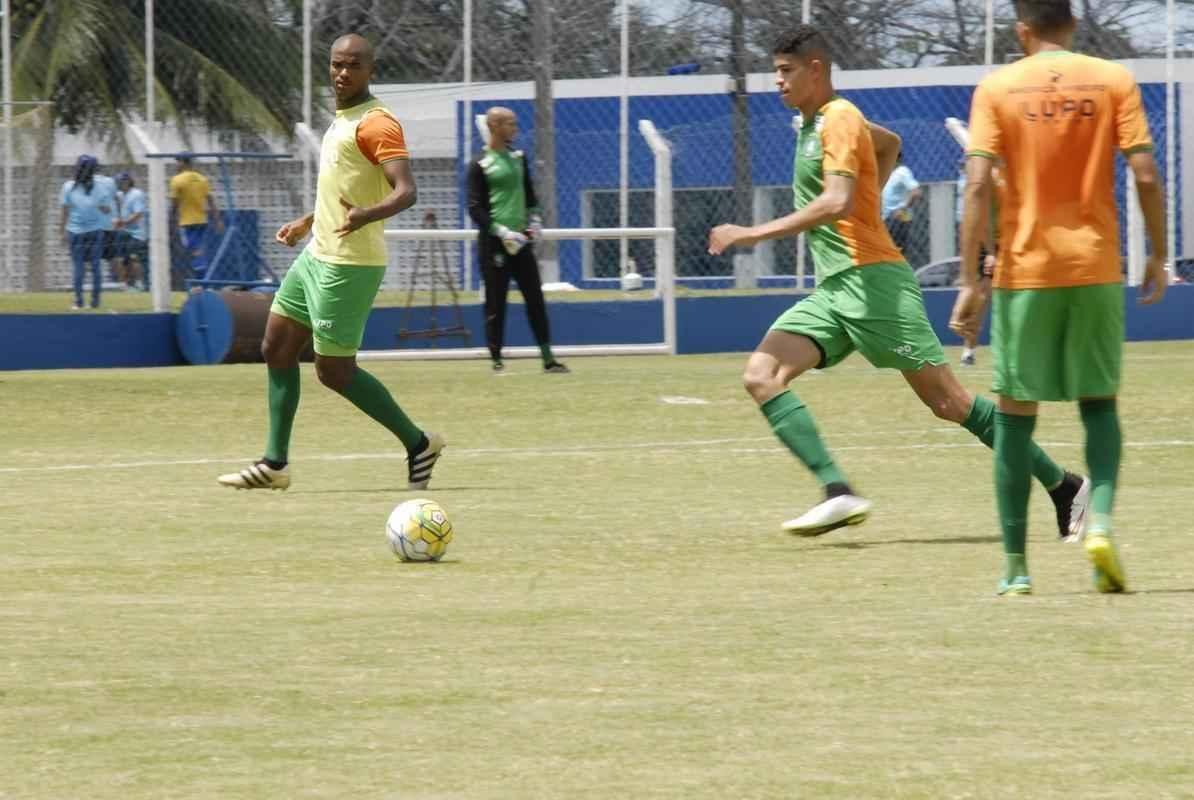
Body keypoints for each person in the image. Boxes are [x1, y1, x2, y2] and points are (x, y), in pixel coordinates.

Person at [707, 25, 1089, 545]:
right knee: (761, 373)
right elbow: (889, 145)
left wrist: (752, 231)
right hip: (835, 291)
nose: (777, 81)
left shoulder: (838, 119)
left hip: (873, 284)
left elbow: (837, 201)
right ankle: (836, 490)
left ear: (815, 69)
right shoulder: (815, 123)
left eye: (785, 70)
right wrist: (869, 193)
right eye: (775, 71)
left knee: (950, 403)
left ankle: (1064, 485)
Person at [949, 0, 1168, 595]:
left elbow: (975, 185)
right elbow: (1145, 174)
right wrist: (1157, 252)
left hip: (1027, 273)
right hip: (1095, 266)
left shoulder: (997, 88)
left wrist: (972, 280)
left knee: (1016, 422)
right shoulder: (1113, 80)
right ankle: (1098, 522)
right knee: (1099, 405)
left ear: (1022, 30)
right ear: (1072, 24)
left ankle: (1016, 568)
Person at [218, 33, 445, 491]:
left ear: (371, 70)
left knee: (334, 371)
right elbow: (348, 187)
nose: (343, 73)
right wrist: (308, 220)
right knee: (276, 347)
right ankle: (274, 465)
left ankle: (418, 443)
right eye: (337, 65)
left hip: (350, 264)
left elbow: (405, 191)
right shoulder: (342, 120)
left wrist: (366, 216)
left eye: (353, 65)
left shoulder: (377, 123)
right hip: (317, 253)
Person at [466, 106, 569, 374]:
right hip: (495, 244)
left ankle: (548, 358)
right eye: (510, 123)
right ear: (495, 126)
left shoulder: (519, 158)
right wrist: (501, 232)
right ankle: (497, 359)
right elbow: (475, 208)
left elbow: (530, 196)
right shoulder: (479, 164)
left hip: (521, 243)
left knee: (535, 297)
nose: (515, 128)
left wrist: (534, 222)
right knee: (496, 302)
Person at [59, 155, 116, 310]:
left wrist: (61, 231)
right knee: (96, 266)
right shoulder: (100, 186)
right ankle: (95, 302)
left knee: (78, 267)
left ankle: (78, 302)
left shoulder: (68, 186)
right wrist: (97, 206)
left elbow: (65, 211)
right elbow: (107, 208)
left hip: (75, 232)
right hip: (95, 232)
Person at [954, 161, 997, 366]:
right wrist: (989, 251)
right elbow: (975, 221)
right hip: (985, 241)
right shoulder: (970, 181)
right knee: (981, 296)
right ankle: (968, 350)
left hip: (1006, 237)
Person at [169, 153, 221, 280]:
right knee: (197, 249)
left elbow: (174, 204)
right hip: (201, 221)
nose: (176, 164)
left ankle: (201, 278)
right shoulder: (202, 179)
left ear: (183, 162)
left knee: (192, 249)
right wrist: (217, 220)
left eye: (178, 161)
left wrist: (170, 221)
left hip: (186, 222)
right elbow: (210, 200)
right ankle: (201, 275)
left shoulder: (177, 180)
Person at [880, 150, 921, 253]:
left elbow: (916, 192)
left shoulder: (902, 171)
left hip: (898, 218)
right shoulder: (889, 172)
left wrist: (902, 208)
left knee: (896, 250)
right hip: (886, 217)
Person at [115, 172, 150, 291]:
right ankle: (126, 284)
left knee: (135, 258)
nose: (119, 184)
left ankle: (140, 283)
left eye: (122, 181)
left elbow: (138, 214)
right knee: (123, 259)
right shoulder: (120, 195)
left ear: (128, 182)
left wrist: (123, 222)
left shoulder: (136, 194)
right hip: (124, 231)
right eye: (118, 182)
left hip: (137, 233)